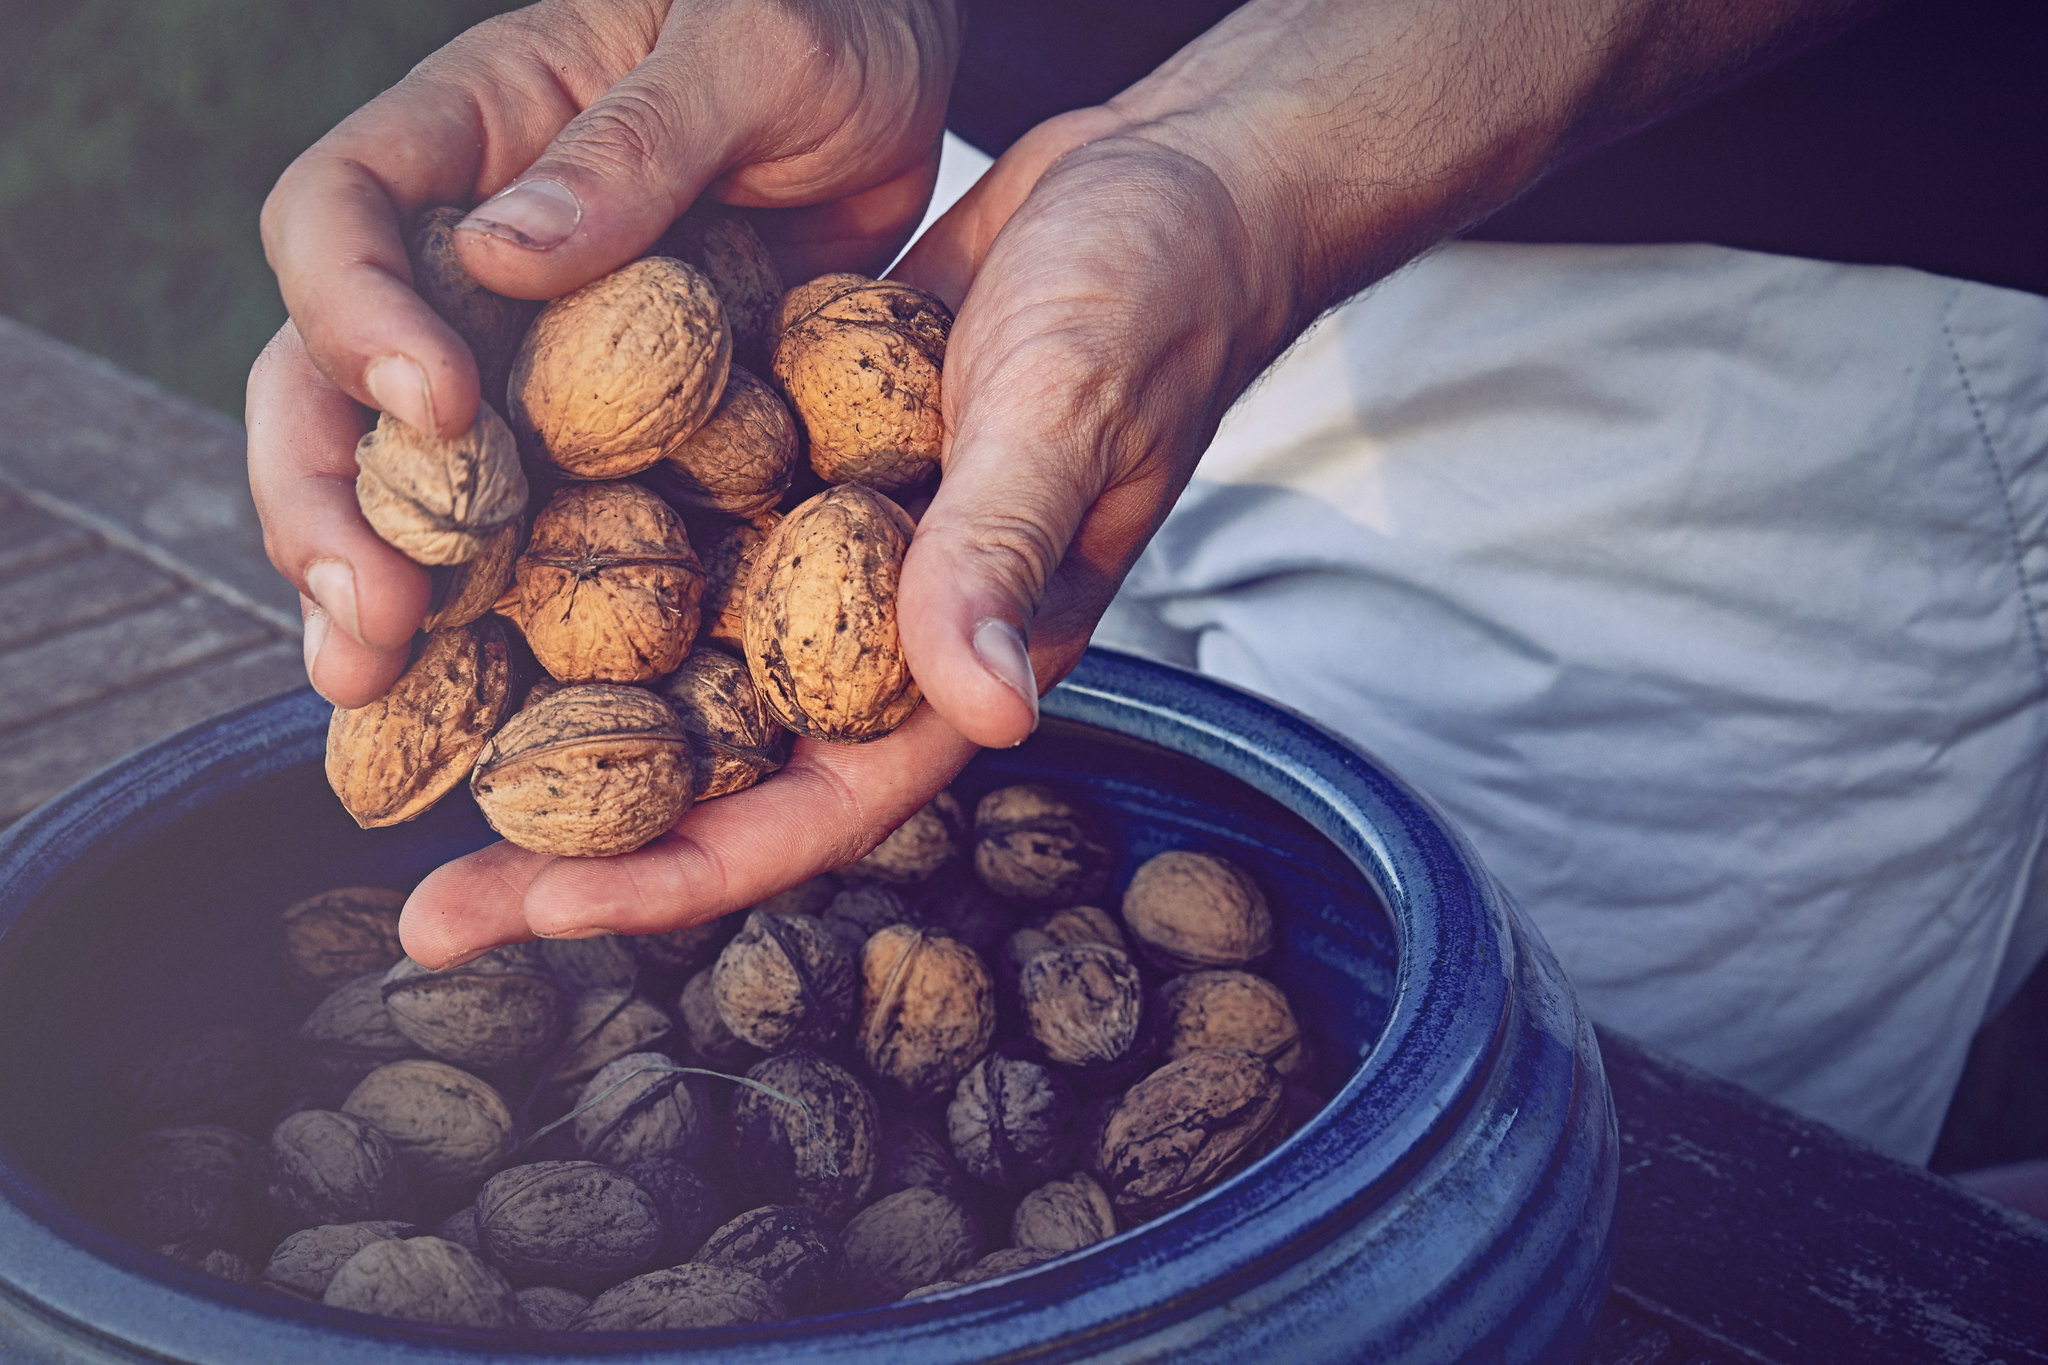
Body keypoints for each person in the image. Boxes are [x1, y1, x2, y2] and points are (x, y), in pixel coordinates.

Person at [247, 0, 2048, 1163]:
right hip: (943, 217)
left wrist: (1246, 163)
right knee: (986, 1052)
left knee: (1565, 1168)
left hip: (1699, 327)